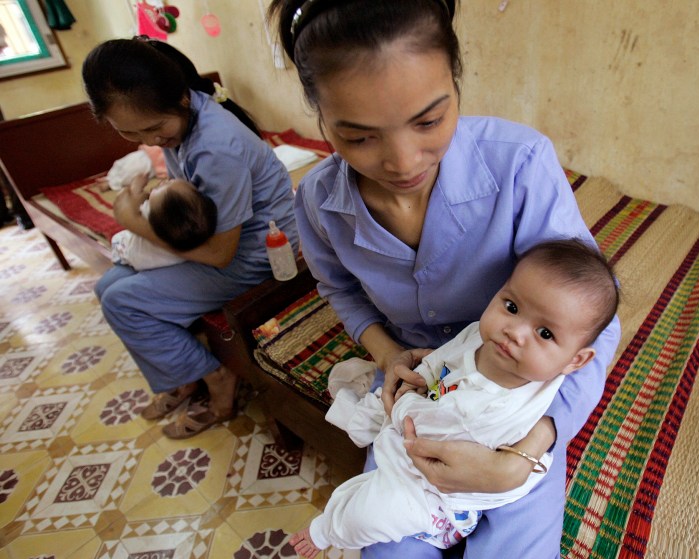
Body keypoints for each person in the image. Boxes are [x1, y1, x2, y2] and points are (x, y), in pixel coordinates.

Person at [268, 1, 621, 557]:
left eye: (430, 121)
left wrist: (523, 455)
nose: (404, 160)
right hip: (422, 394)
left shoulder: (521, 164)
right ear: (318, 115)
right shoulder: (318, 201)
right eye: (359, 137)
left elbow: (593, 323)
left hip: (514, 403)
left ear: (456, 83)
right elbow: (337, 288)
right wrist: (386, 353)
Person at [290, 240, 620, 558]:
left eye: (545, 333)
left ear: (575, 361)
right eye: (512, 307)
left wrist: (405, 403)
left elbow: (420, 436)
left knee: (370, 514)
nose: (514, 332)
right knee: (363, 406)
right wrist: (420, 378)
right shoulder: (479, 335)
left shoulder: (498, 408)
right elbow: (443, 358)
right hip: (428, 411)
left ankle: (324, 532)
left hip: (441, 492)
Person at [82, 38, 298, 439]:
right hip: (224, 244)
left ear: (181, 98)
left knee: (122, 300)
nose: (149, 142)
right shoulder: (181, 125)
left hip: (257, 256)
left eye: (153, 128)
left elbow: (219, 253)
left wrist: (132, 220)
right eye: (130, 134)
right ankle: (183, 373)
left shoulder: (217, 147)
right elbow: (191, 196)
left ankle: (215, 377)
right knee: (107, 285)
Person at [111, 175, 217, 271]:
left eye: (158, 187)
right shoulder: (178, 228)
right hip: (157, 264)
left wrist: (136, 185)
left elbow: (124, 204)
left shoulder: (150, 214)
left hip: (124, 252)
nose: (165, 181)